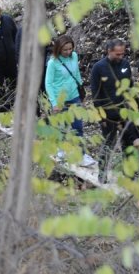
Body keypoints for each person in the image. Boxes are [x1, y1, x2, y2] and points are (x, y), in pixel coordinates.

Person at [44, 35, 96, 167]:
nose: (68, 52)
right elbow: (48, 84)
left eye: (70, 49)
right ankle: (61, 149)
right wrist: (54, 103)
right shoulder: (52, 63)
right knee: (62, 126)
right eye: (65, 50)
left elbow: (77, 73)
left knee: (77, 127)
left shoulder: (74, 56)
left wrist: (81, 90)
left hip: (74, 96)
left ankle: (81, 155)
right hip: (60, 100)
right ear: (58, 49)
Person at [90, 39, 133, 181]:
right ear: (109, 51)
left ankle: (129, 175)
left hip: (124, 112)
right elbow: (95, 94)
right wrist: (100, 117)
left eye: (122, 54)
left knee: (128, 144)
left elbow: (130, 87)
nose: (120, 57)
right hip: (107, 115)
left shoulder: (126, 65)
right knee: (108, 144)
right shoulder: (98, 68)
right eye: (117, 54)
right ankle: (102, 174)